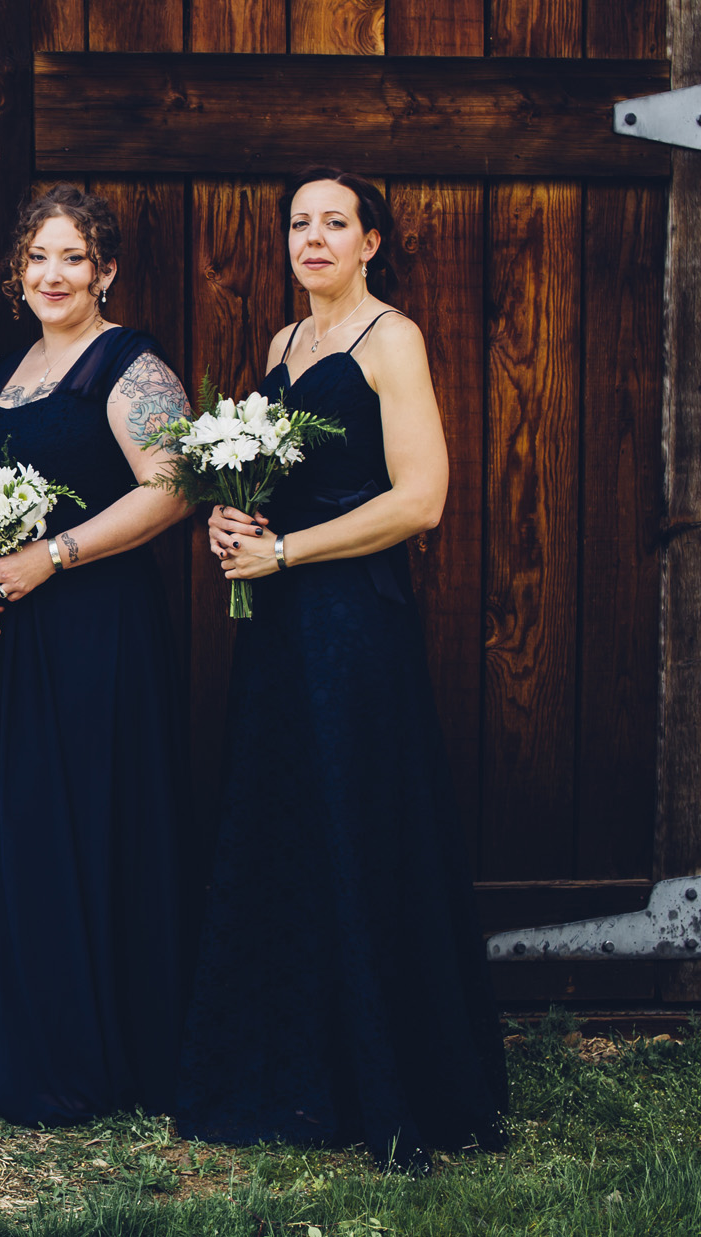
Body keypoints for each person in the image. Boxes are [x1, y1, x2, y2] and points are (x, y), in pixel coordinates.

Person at [176, 166, 507, 1161]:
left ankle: (385, 1080)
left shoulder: (387, 338)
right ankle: (295, 1070)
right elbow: (280, 474)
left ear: (370, 241)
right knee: (287, 823)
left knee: (355, 823)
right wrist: (233, 516)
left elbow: (419, 500)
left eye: (333, 223)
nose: (309, 238)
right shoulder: (282, 343)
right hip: (278, 619)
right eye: (295, 223)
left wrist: (284, 551)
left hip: (350, 620)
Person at [0, 183, 194, 1125]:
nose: (54, 275)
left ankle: (113, 1052)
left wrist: (54, 554)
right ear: (18, 271)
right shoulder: (9, 371)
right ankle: (46, 1049)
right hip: (12, 639)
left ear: (106, 271)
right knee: (30, 831)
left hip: (100, 633)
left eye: (74, 258)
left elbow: (172, 488)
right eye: (38, 258)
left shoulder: (130, 366)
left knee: (100, 822)